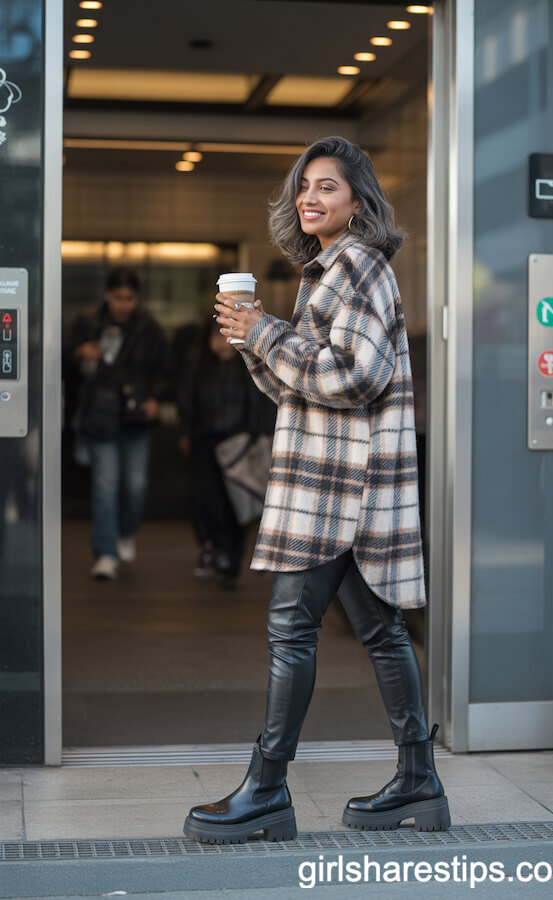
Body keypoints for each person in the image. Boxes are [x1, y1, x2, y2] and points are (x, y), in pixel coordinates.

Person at [183, 136, 450, 843]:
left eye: (327, 186)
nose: (309, 196)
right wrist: (254, 340)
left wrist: (268, 332)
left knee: (291, 630)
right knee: (381, 631)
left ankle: (267, 792)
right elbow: (299, 389)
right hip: (341, 485)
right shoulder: (323, 271)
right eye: (304, 185)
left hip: (336, 490)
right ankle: (418, 781)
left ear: (357, 201)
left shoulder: (356, 263)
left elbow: (356, 378)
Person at [67, 267, 168, 580]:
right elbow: (64, 364)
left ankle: (125, 533)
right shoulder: (88, 322)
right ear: (108, 295)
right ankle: (106, 552)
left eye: (129, 298)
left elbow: (165, 370)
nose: (124, 303)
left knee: (135, 486)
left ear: (136, 298)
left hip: (135, 416)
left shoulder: (149, 327)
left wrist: (156, 398)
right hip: (101, 414)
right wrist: (79, 353)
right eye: (118, 297)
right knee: (105, 486)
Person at [177, 316, 275, 588]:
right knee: (207, 500)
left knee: (238, 502)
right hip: (205, 440)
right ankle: (217, 551)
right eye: (216, 336)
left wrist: (261, 436)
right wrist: (185, 432)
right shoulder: (197, 362)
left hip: (240, 442)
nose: (221, 342)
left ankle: (230, 558)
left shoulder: (250, 362)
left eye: (226, 335)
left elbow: (263, 401)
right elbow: (186, 399)